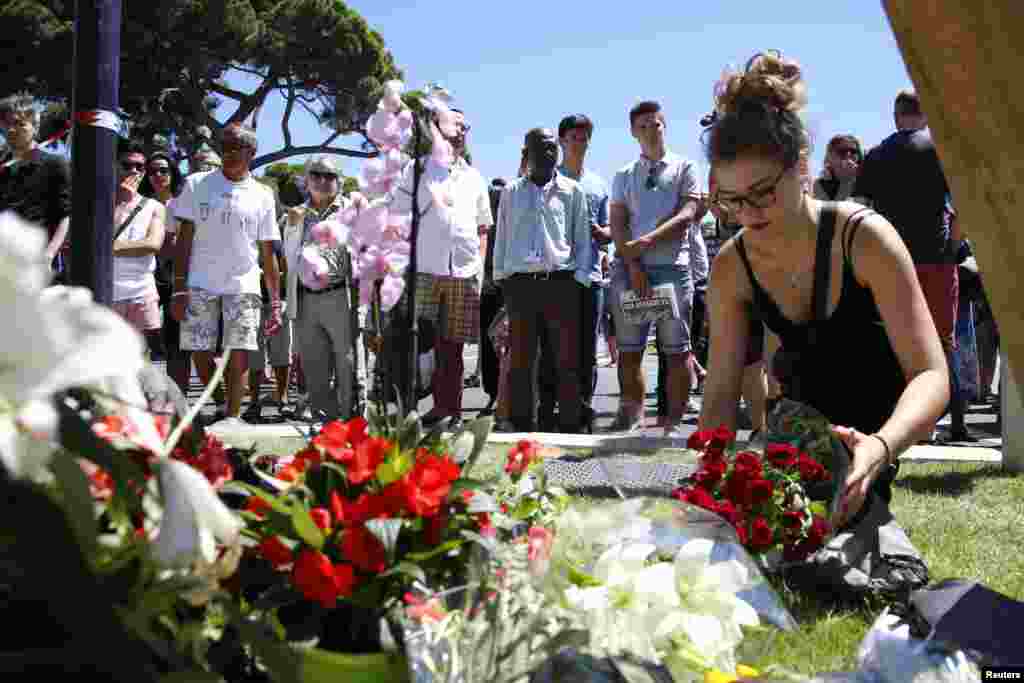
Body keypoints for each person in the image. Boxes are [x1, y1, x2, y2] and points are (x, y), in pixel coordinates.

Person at [700, 51, 948, 529]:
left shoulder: (864, 237)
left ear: (801, 167)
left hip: (876, 435)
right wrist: (709, 479)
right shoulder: (732, 265)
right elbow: (720, 394)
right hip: (794, 437)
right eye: (731, 201)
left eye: (763, 193)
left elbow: (932, 376)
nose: (748, 215)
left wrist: (880, 446)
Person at [853, 90, 969, 442]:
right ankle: (957, 423)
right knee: (943, 341)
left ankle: (894, 422)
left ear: (895, 115)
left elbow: (860, 210)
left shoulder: (874, 155)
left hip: (890, 259)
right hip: (935, 258)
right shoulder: (941, 153)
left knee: (891, 340)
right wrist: (953, 245)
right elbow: (961, 205)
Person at [171, 123, 282, 424]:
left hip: (244, 283)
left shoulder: (263, 194)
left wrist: (275, 303)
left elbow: (268, 252)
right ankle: (220, 399)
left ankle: (233, 418)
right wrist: (178, 288)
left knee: (240, 353)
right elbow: (183, 241)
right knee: (199, 351)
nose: (230, 154)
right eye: (226, 148)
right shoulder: (196, 184)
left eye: (238, 148)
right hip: (199, 282)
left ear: (252, 153)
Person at [389, 109, 493, 429]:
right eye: (454, 125)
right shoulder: (416, 170)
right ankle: (405, 411)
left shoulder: (474, 177)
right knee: (416, 345)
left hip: (462, 273)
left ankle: (450, 411)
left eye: (465, 126)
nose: (461, 131)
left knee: (453, 350)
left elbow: (482, 226)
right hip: (424, 271)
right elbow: (398, 218)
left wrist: (477, 267)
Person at [609, 100, 703, 436]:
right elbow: (618, 222)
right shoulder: (623, 175)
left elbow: (688, 213)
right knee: (630, 351)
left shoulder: (685, 167)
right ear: (634, 132)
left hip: (672, 270)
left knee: (676, 352)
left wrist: (648, 241)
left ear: (665, 127)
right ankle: (631, 417)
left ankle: (673, 425)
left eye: (656, 124)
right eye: (643, 125)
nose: (651, 130)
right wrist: (634, 264)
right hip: (631, 273)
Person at [493, 127, 592, 433]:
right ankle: (524, 427)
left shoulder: (572, 191)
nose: (548, 153)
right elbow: (502, 236)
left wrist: (579, 279)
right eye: (540, 147)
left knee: (565, 359)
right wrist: (502, 277)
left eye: (552, 147)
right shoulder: (511, 192)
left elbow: (582, 238)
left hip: (560, 281)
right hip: (521, 284)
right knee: (522, 360)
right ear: (527, 152)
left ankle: (570, 425)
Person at [282, 155, 354, 422]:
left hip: (341, 295)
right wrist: (291, 225)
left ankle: (352, 423)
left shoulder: (352, 211)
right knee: (314, 369)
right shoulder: (295, 215)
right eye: (316, 175)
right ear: (306, 180)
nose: (323, 181)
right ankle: (326, 429)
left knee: (348, 366)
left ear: (340, 182)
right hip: (306, 301)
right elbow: (289, 260)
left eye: (330, 176)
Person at [556, 113, 612, 433]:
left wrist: (601, 235)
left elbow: (609, 232)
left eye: (585, 137)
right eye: (574, 137)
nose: (580, 142)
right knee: (558, 345)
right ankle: (558, 406)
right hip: (559, 276)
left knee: (587, 347)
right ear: (562, 141)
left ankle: (583, 406)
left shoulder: (598, 184)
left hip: (590, 277)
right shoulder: (551, 179)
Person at [0, 93, 71, 280]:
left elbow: (66, 216)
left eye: (20, 124)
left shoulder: (55, 164)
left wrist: (48, 255)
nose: (12, 130)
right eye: (7, 124)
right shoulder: (2, 166)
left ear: (35, 127)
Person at [111, 140, 167, 354]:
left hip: (141, 292)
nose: (133, 171)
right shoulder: (100, 203)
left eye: (139, 167)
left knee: (138, 359)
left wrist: (112, 248)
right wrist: (122, 204)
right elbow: (100, 241)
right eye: (127, 165)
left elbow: (152, 244)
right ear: (115, 166)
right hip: (109, 292)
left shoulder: (155, 207)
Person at [140, 149, 189, 382]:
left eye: (163, 170)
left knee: (176, 340)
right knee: (139, 335)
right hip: (144, 275)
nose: (157, 175)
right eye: (151, 172)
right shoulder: (139, 205)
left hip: (177, 276)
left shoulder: (183, 203)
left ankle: (179, 401)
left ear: (173, 173)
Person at [813, 134, 863, 201]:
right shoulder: (819, 185)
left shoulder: (865, 181)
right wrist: (846, 181)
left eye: (853, 151)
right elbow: (833, 210)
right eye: (842, 151)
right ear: (830, 157)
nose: (848, 154)